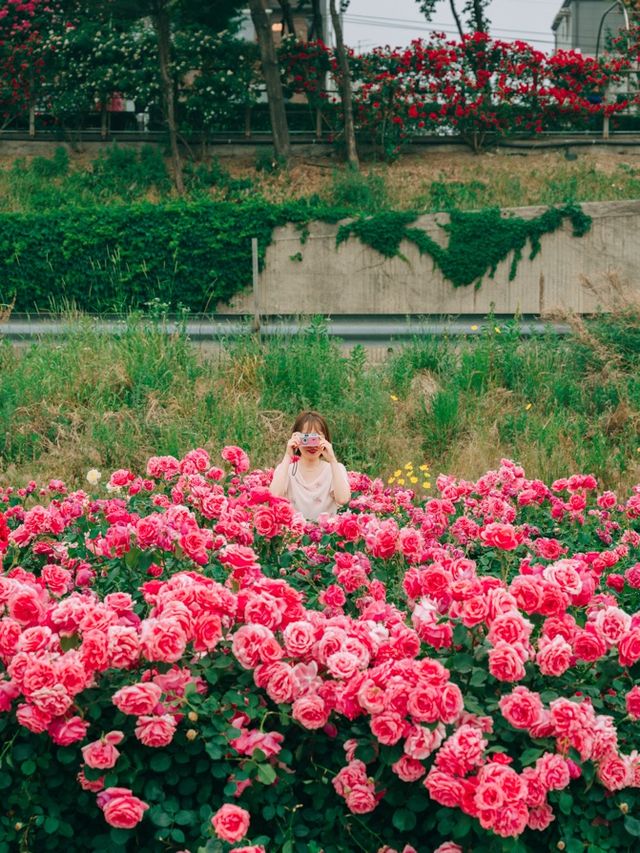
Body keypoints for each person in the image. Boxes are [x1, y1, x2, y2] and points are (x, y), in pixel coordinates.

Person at [269, 411, 351, 521]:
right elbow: (274, 495)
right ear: (296, 438)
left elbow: (343, 499)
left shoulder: (335, 469)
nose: (312, 444)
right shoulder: (286, 470)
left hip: (325, 535)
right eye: (306, 438)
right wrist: (288, 456)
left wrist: (332, 460)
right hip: (294, 535)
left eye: (317, 438)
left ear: (325, 439)